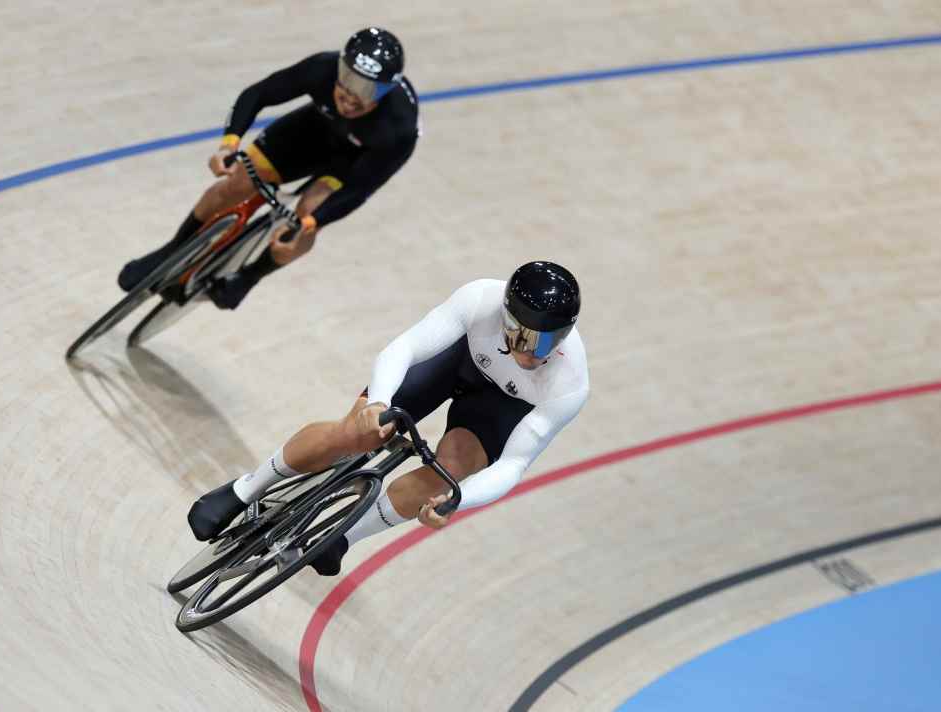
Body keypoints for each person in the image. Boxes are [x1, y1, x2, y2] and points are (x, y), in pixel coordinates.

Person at [187, 261, 590, 575]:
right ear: (506, 319)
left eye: (552, 341)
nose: (538, 353)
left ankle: (344, 538)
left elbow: (515, 463)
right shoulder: (479, 299)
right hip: (455, 363)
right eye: (527, 338)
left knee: (447, 475)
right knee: (359, 432)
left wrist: (458, 501)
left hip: (500, 406)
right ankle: (244, 490)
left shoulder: (569, 383)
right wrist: (377, 403)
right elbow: (406, 348)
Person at [118, 27, 419, 309]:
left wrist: (312, 222)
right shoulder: (322, 69)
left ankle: (248, 277)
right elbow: (259, 93)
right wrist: (229, 144)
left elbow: (360, 188)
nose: (352, 95)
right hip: (312, 131)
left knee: (302, 223)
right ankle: (170, 251)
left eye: (367, 90)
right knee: (234, 184)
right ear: (339, 66)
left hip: (350, 161)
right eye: (349, 79)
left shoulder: (398, 127)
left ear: (386, 91)